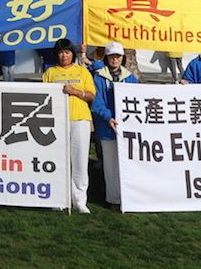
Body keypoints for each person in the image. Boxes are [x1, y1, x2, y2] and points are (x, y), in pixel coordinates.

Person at [43, 38, 96, 214]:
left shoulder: (82, 71)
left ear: (72, 53)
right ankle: (59, 197)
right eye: (60, 52)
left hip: (79, 119)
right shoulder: (50, 72)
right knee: (59, 159)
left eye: (67, 52)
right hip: (57, 121)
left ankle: (79, 199)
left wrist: (75, 92)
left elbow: (91, 95)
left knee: (79, 160)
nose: (64, 56)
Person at [90, 41, 139, 208]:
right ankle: (114, 199)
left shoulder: (130, 78)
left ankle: (129, 197)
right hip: (106, 128)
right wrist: (109, 117)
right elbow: (97, 103)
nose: (115, 59)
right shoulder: (99, 77)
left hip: (127, 129)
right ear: (106, 57)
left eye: (118, 56)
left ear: (122, 58)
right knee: (110, 166)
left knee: (127, 164)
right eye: (112, 56)